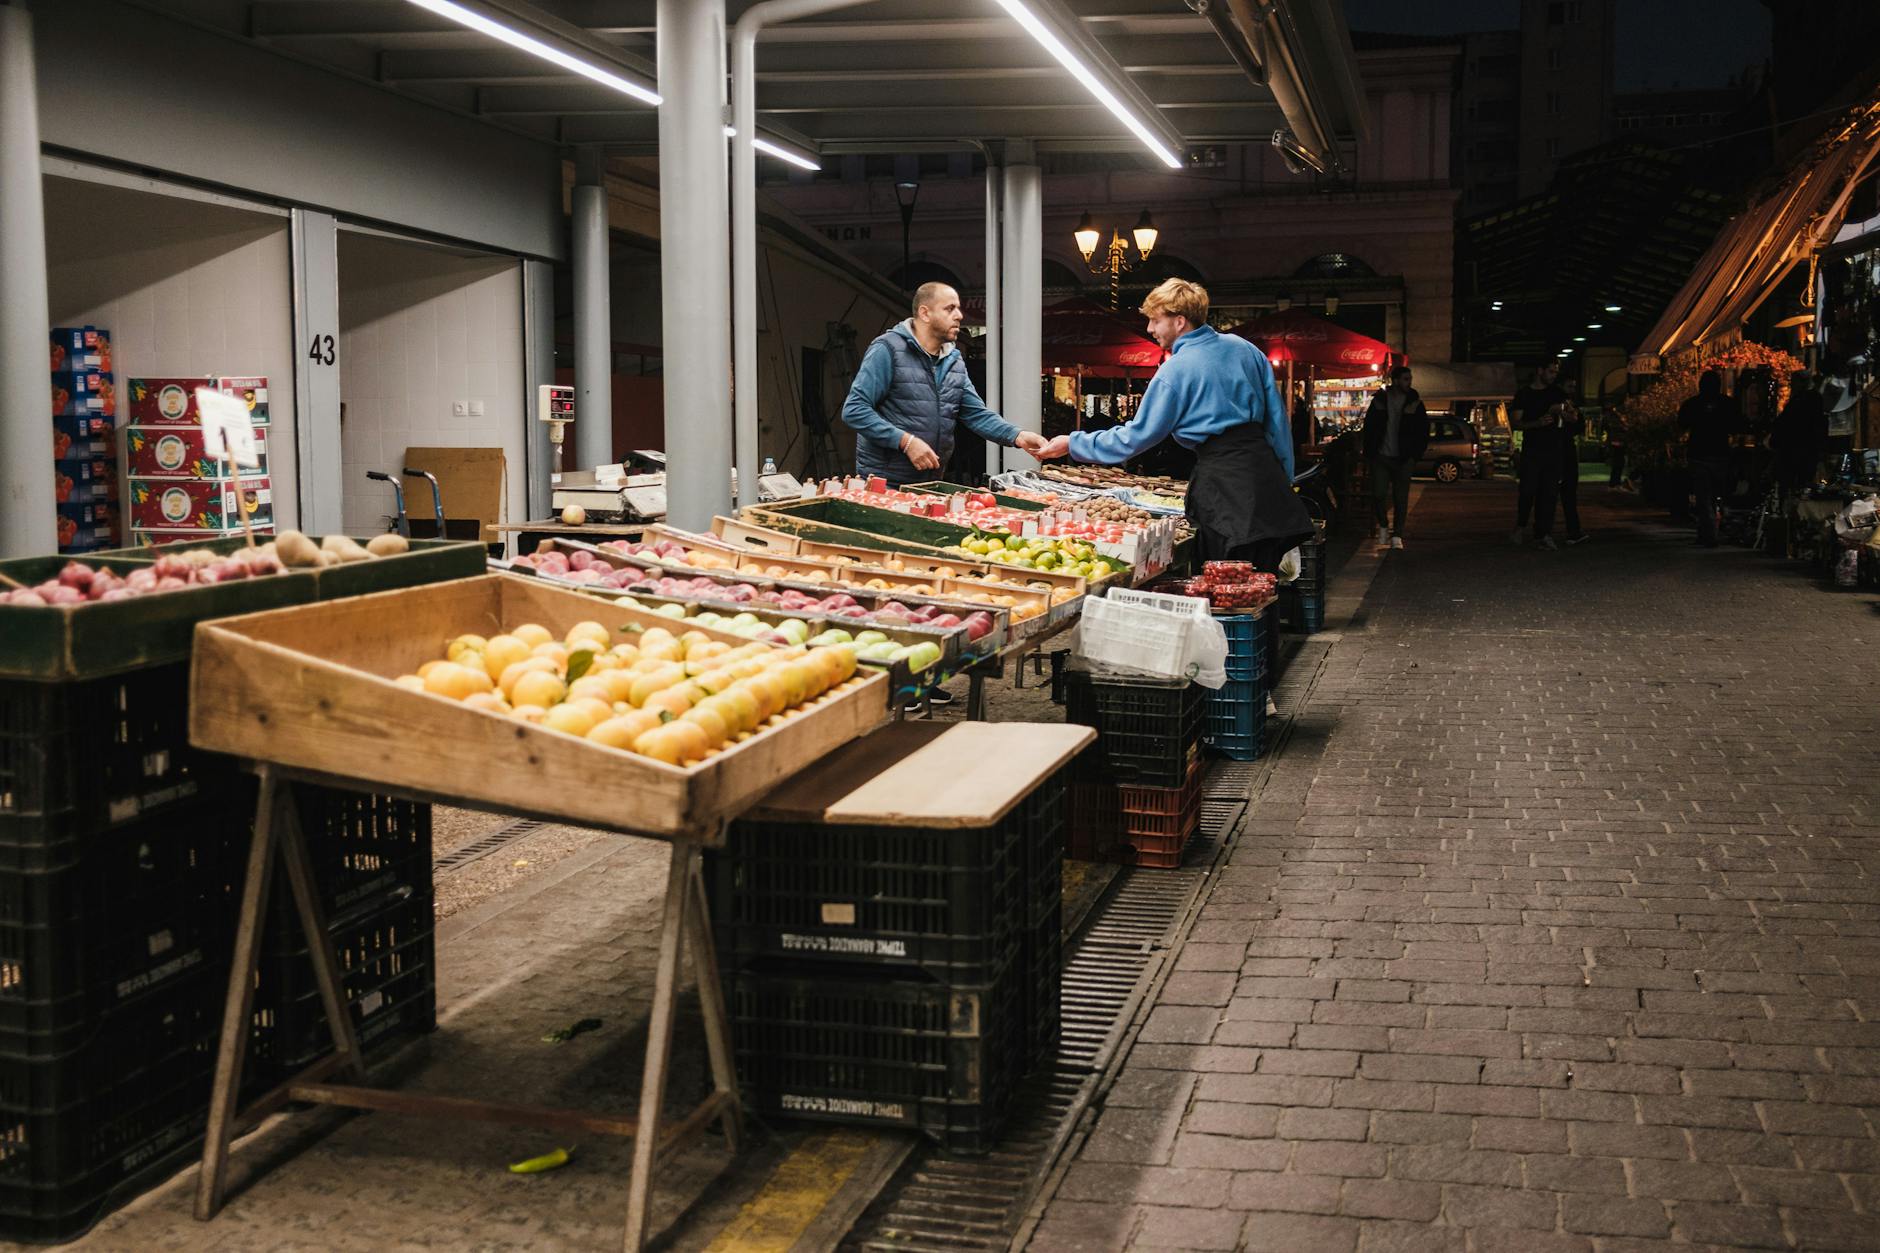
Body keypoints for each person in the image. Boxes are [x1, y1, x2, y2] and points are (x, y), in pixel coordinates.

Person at [1036, 278, 1312, 569]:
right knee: (1263, 587)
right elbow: (1277, 421)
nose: (1150, 329)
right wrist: (1285, 479)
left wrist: (1074, 443)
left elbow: (1136, 437)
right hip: (1267, 479)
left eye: (1155, 320)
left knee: (1226, 585)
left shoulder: (1175, 369)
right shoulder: (1246, 349)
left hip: (1224, 488)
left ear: (1179, 322)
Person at [841, 282, 1047, 487]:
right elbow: (854, 410)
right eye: (950, 309)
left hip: (931, 480)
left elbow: (976, 414)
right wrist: (906, 442)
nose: (959, 315)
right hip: (885, 483)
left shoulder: (953, 360)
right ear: (925, 313)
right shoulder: (887, 349)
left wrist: (1018, 436)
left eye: (957, 308)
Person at [1361, 365, 1429, 550]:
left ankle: (1397, 534)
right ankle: (1383, 524)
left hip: (1404, 457)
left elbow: (1423, 430)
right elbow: (1369, 427)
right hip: (1381, 455)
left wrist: (1415, 455)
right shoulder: (1380, 401)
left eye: (1410, 379)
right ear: (1395, 380)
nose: (1409, 382)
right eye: (1406, 379)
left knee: (1401, 498)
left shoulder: (1415, 402)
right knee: (1378, 493)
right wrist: (1370, 451)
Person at [1509, 361, 1572, 550]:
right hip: (1533, 450)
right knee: (1528, 490)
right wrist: (1536, 423)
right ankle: (1520, 526)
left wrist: (1569, 415)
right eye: (1551, 371)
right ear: (1540, 370)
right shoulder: (1524, 394)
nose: (1554, 375)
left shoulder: (1557, 393)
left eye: (1556, 372)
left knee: (1549, 493)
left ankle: (1543, 533)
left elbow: (1569, 411)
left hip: (1554, 450)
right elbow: (1516, 423)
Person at [1678, 370, 1741, 547]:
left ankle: (1708, 532)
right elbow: (1737, 425)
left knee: (1703, 496)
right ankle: (1713, 529)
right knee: (1716, 494)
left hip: (1698, 453)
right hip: (1721, 453)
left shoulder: (1692, 404)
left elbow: (1682, 424)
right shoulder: (1728, 404)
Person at [1770, 369, 1828, 496]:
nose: (1792, 385)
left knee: (1800, 482)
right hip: (1795, 448)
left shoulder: (1808, 399)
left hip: (1802, 448)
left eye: (1794, 382)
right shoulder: (1800, 398)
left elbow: (1813, 424)